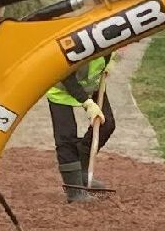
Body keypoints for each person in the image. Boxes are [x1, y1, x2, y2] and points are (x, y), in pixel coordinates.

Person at [47, 52, 117, 201]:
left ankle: (82, 170)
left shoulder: (109, 38)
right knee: (66, 136)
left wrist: (108, 65)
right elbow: (64, 74)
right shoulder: (78, 45)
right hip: (61, 88)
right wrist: (87, 103)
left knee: (106, 124)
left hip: (90, 86)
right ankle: (74, 190)